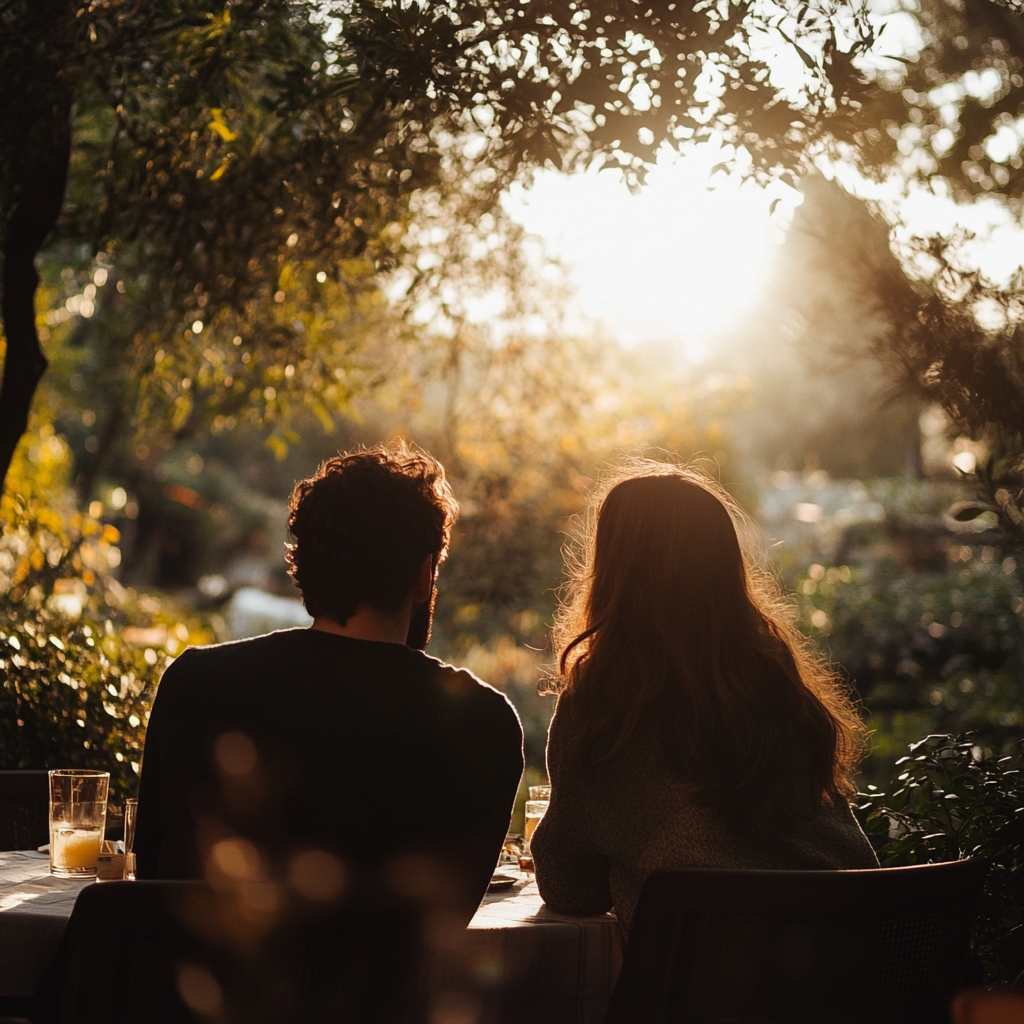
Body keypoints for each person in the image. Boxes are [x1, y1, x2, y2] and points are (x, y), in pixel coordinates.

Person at [134, 441, 524, 922]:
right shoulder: (484, 724)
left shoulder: (195, 683)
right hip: (381, 998)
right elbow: (445, 926)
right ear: (424, 575)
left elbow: (147, 879)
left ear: (303, 566)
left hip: (198, 990)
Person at [531, 463, 877, 936]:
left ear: (613, 573)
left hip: (718, 993)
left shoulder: (605, 709)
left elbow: (568, 885)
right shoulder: (780, 688)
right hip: (858, 970)